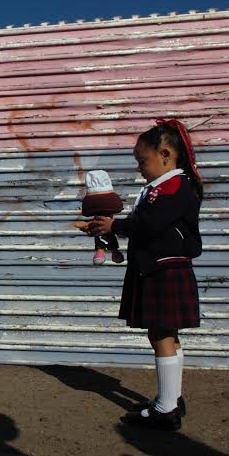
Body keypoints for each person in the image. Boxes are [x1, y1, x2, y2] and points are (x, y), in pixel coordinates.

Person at [86, 119, 203, 431]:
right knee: (167, 335)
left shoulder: (174, 187)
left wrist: (115, 226)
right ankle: (171, 398)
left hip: (163, 270)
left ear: (165, 154)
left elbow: (150, 224)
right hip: (161, 268)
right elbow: (149, 223)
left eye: (142, 161)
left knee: (161, 335)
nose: (139, 168)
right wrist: (109, 228)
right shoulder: (165, 187)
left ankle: (166, 409)